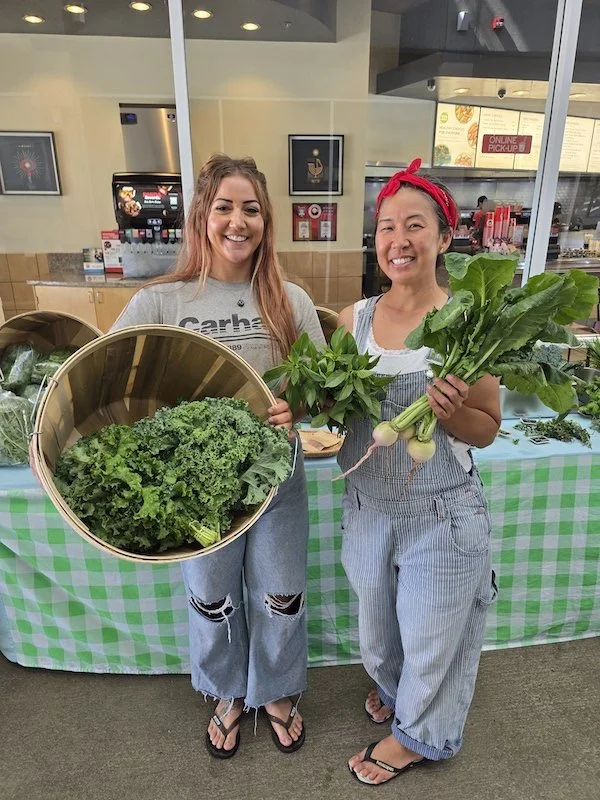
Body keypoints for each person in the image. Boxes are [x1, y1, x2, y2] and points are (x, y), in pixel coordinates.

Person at [112, 153, 326, 759]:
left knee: (280, 593)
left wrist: (297, 410)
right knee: (212, 596)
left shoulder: (290, 300)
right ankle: (226, 691)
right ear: (203, 215)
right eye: (225, 207)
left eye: (252, 209)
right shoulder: (162, 301)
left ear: (266, 221)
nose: (239, 221)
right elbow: (115, 378)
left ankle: (278, 691)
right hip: (196, 490)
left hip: (276, 477)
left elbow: (318, 385)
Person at [336, 158, 500, 785]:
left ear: (442, 237)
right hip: (368, 505)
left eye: (414, 226)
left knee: (433, 632)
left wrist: (454, 415)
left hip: (441, 511)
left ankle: (417, 737)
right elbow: (332, 400)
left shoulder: (468, 325)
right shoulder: (354, 320)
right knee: (378, 636)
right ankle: (400, 691)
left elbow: (486, 425)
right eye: (385, 227)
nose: (397, 241)